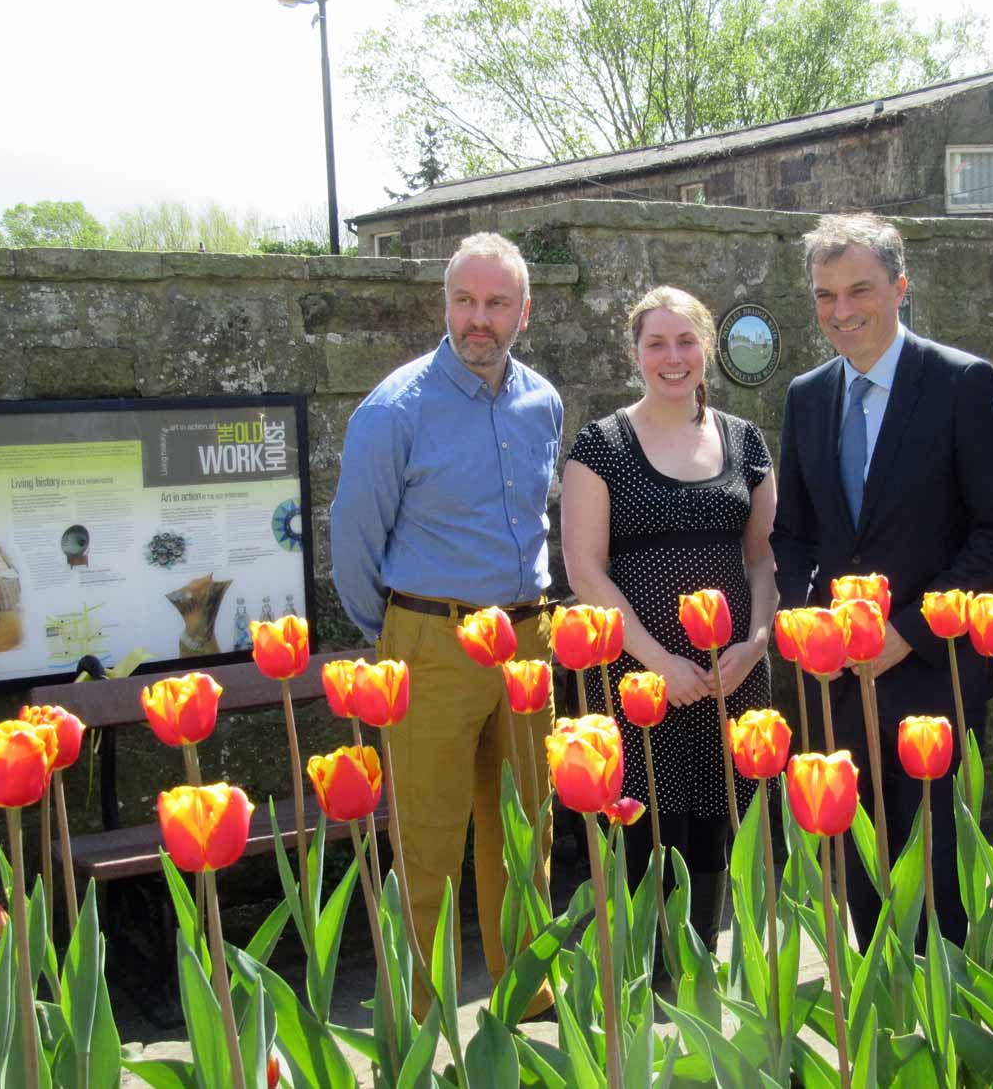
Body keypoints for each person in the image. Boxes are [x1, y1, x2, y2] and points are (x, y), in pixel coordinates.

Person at [772, 213, 993, 948]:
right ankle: (884, 1031)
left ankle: (943, 1040)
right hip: (838, 683)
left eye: (859, 289)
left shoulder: (959, 383)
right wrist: (812, 626)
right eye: (825, 295)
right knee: (857, 867)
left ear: (900, 287)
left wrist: (904, 632)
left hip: (932, 677)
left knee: (936, 874)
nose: (842, 311)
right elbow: (793, 533)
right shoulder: (807, 396)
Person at [329, 232, 561, 1014]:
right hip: (430, 641)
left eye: (497, 303)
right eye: (465, 300)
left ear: (523, 311)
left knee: (528, 833)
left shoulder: (543, 401)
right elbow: (354, 545)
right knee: (427, 845)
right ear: (445, 304)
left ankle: (526, 1015)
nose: (479, 319)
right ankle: (422, 1030)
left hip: (528, 641)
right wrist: (399, 633)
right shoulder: (394, 410)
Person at [561, 286, 776, 952]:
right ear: (635, 353)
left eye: (686, 341)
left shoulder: (746, 441)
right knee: (644, 841)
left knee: (720, 841)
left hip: (731, 680)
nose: (672, 356)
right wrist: (659, 662)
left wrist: (753, 643)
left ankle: (707, 992)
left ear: (707, 350)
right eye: (656, 343)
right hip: (635, 681)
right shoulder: (600, 446)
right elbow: (584, 570)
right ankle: (643, 1003)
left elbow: (766, 560)